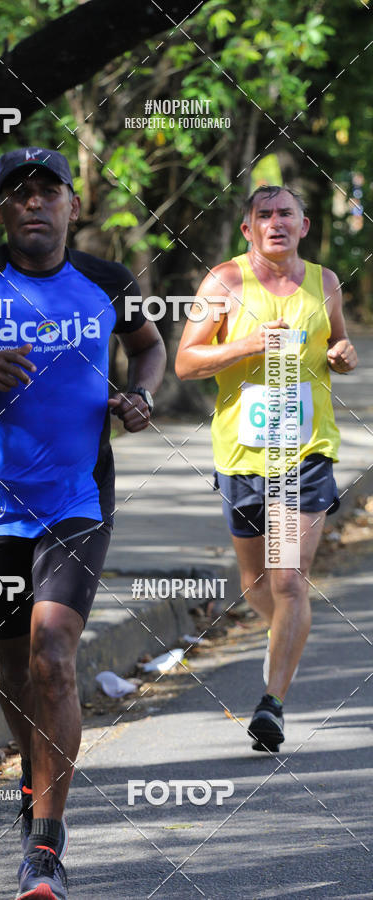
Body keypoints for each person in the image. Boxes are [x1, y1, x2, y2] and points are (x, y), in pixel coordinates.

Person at [0, 147, 166, 899]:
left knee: (54, 656)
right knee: (15, 669)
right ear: (0, 211)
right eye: (19, 194)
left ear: (74, 206)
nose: (35, 203)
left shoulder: (109, 282)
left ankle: (45, 846)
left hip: (78, 499)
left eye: (50, 191)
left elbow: (149, 348)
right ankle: (31, 781)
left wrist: (141, 396)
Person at [175, 185, 357, 753]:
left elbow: (339, 342)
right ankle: (282, 636)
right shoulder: (223, 283)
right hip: (242, 454)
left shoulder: (326, 282)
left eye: (286, 214)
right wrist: (248, 345)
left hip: (306, 452)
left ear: (304, 226)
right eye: (264, 215)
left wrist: (343, 355)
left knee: (288, 579)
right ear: (248, 229)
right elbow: (185, 362)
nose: (275, 222)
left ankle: (272, 703)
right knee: (257, 585)